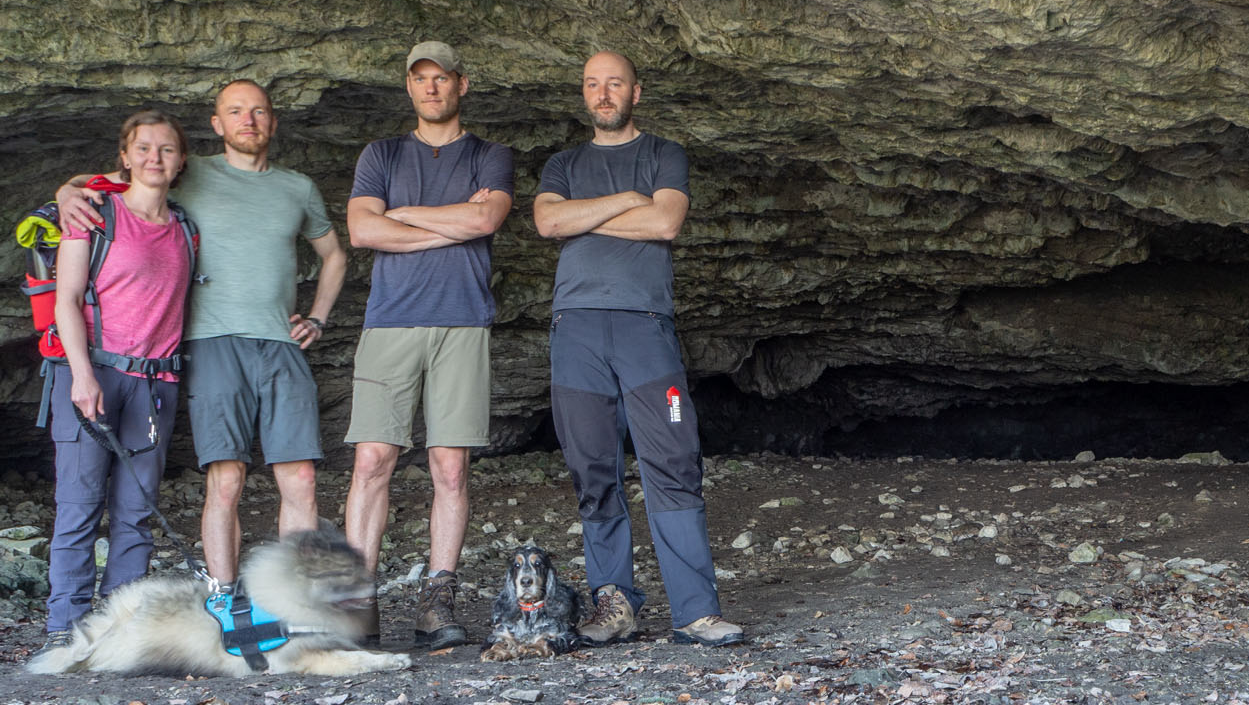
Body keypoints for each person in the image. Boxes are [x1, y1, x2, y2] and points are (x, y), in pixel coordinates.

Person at [56, 82, 348, 603]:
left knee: (301, 475)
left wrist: (320, 319)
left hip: (280, 344)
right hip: (212, 343)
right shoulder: (191, 175)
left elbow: (335, 254)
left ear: (274, 122)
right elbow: (121, 176)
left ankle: (293, 602)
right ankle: (224, 595)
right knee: (227, 477)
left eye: (259, 112)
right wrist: (67, 190)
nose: (249, 121)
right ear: (217, 124)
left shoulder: (297, 187)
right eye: (236, 112)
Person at [531, 50, 743, 647]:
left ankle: (696, 611)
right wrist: (628, 200)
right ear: (584, 92)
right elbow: (546, 223)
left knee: (673, 462)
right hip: (575, 329)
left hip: (645, 329)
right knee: (593, 469)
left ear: (635, 92)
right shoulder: (564, 162)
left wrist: (584, 217)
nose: (603, 94)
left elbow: (666, 223)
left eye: (614, 83)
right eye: (593, 84)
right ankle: (614, 604)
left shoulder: (663, 153)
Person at [343, 42, 512, 649]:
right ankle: (357, 603)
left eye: (442, 78)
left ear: (461, 84)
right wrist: (447, 221)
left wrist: (406, 217)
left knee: (450, 467)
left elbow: (484, 222)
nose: (432, 88)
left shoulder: (491, 156)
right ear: (408, 87)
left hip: (463, 322)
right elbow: (363, 230)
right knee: (371, 461)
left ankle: (437, 602)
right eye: (421, 79)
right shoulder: (381, 154)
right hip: (390, 323)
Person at [38, 111, 195, 656]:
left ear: (180, 162)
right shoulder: (94, 215)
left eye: (167, 149)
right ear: (123, 158)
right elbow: (66, 298)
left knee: (136, 513)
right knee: (79, 507)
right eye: (144, 148)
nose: (155, 158)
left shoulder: (185, 228)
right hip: (92, 373)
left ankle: (118, 626)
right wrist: (81, 375)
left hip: (156, 384)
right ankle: (67, 626)